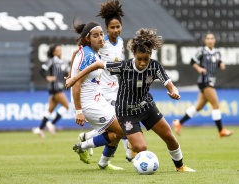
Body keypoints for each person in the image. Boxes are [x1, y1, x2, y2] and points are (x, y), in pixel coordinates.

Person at [66, 28, 195, 172]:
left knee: (169, 137)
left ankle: (180, 167)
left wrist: (174, 92)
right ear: (134, 55)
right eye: (139, 59)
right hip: (126, 112)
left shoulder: (154, 66)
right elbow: (97, 65)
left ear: (150, 56)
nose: (142, 63)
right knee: (141, 147)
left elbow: (170, 84)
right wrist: (74, 78)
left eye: (146, 59)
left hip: (147, 107)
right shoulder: (124, 66)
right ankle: (100, 154)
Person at [76, 0, 135, 162]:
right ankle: (131, 155)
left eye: (118, 27)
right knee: (121, 126)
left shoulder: (121, 42)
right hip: (101, 92)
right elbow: (81, 53)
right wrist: (73, 73)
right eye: (112, 27)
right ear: (106, 29)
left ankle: (88, 141)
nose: (115, 30)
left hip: (116, 91)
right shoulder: (102, 42)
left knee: (117, 127)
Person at [70, 19, 125, 170]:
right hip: (88, 104)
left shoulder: (92, 52)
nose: (101, 38)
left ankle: (102, 163)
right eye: (96, 36)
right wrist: (79, 111)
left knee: (118, 130)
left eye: (101, 34)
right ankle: (83, 146)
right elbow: (77, 84)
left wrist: (70, 74)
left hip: (98, 99)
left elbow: (75, 54)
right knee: (121, 130)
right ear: (88, 38)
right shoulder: (89, 56)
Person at [172, 32, 233, 138]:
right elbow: (192, 61)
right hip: (204, 81)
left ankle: (179, 123)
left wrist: (221, 64)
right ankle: (221, 130)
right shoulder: (202, 51)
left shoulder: (217, 52)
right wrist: (199, 68)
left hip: (211, 81)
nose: (210, 40)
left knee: (198, 108)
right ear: (205, 40)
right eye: (208, 38)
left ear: (214, 40)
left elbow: (218, 62)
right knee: (216, 105)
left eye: (212, 38)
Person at [32, 44, 70, 138]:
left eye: (60, 49)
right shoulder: (51, 61)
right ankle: (51, 124)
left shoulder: (64, 62)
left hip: (59, 86)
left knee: (50, 110)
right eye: (58, 50)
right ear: (54, 52)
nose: (60, 51)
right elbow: (42, 70)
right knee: (66, 106)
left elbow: (68, 73)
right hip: (54, 87)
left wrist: (70, 77)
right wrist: (47, 77)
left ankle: (39, 129)